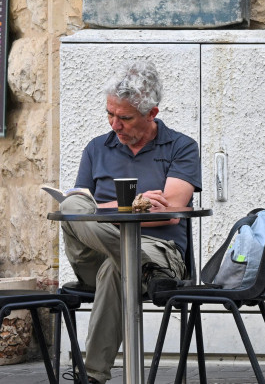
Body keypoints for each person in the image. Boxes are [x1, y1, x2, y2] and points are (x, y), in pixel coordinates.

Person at [60, 59, 202, 384]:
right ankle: (139, 266)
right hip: (93, 259)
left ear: (152, 113)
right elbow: (78, 209)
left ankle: (91, 377)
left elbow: (172, 209)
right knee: (71, 203)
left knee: (117, 266)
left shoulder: (180, 147)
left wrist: (100, 210)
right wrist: (131, 207)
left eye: (124, 117)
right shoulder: (96, 149)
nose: (114, 125)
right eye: (109, 114)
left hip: (160, 254)